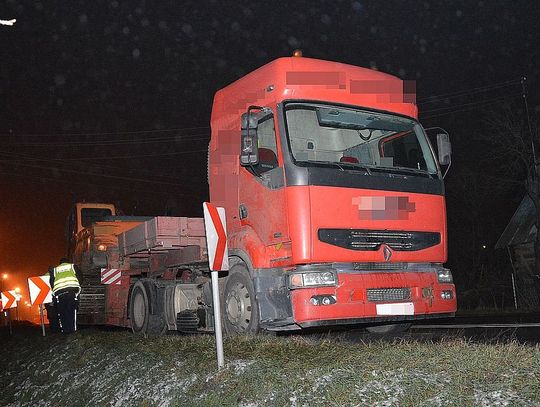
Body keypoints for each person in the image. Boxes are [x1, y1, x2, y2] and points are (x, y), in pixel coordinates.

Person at [50, 258, 83, 334]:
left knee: (62, 312)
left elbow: (51, 282)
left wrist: (55, 291)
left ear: (60, 263)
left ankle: (65, 331)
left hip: (60, 294)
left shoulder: (55, 270)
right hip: (71, 292)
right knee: (71, 311)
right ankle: (72, 331)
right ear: (68, 262)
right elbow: (80, 277)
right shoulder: (72, 266)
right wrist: (78, 286)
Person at [44, 267, 61, 333]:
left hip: (49, 298)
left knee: (52, 315)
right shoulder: (55, 275)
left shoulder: (46, 276)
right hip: (52, 297)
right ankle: (56, 330)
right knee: (55, 315)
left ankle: (54, 330)